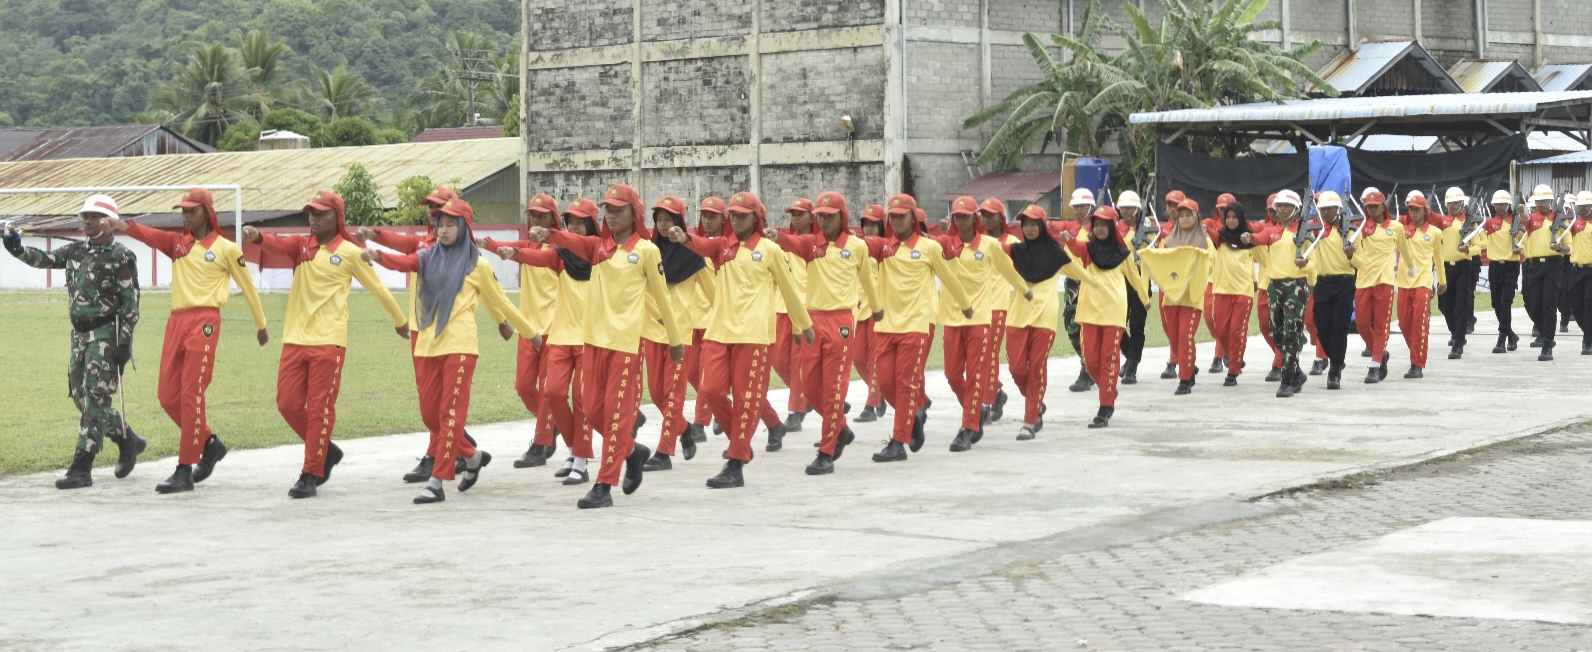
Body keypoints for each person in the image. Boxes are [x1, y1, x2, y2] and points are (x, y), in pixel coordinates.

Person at [366, 199, 538, 504]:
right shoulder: (427, 256)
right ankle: (472, 457)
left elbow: (502, 303)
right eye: (439, 224)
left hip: (460, 347)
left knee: (449, 415)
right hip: (428, 344)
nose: (443, 230)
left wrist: (532, 335)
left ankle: (437, 481)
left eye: (450, 224)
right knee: (431, 416)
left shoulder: (479, 265)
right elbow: (404, 263)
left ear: (464, 227)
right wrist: (379, 255)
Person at [523, 184, 683, 508]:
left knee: (614, 416)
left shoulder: (647, 251)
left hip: (624, 346)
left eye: (618, 209)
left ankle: (604, 484)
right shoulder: (599, 247)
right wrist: (550, 234)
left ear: (634, 214)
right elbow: (573, 240)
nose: (611, 213)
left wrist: (676, 339)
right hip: (592, 340)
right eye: (608, 208)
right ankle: (632, 451)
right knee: (593, 411)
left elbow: (661, 296)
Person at [243, 191, 408, 498]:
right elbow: (276, 243)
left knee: (319, 410)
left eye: (321, 214)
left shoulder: (350, 251)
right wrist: (257, 236)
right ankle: (325, 450)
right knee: (287, 405)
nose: (314, 219)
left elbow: (378, 288)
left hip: (329, 342)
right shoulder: (300, 246)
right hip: (294, 339)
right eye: (311, 214)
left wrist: (400, 320)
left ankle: (310, 473)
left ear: (337, 218)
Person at [109, 187, 268, 493]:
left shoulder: (226, 248)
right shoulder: (177, 244)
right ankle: (209, 443)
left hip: (205, 323)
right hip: (176, 322)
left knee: (191, 394)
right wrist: (120, 225)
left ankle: (184, 470)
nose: (184, 215)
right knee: (168, 396)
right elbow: (148, 234)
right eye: (182, 210)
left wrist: (261, 325)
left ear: (207, 213)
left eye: (190, 210)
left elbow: (247, 286)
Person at [664, 191, 812, 488]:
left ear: (755, 217)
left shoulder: (770, 250)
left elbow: (789, 289)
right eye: (733, 214)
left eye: (742, 214)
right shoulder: (723, 246)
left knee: (747, 400)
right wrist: (684, 238)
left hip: (754, 335)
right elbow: (704, 244)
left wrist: (803, 324)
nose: (735, 219)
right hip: (719, 332)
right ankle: (741, 445)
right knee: (712, 390)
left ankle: (735, 462)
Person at [5, 195, 143, 489]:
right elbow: (43, 259)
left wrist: (124, 342)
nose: (88, 221)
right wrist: (15, 249)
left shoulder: (121, 256)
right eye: (85, 216)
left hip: (105, 336)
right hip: (79, 335)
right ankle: (127, 439)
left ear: (109, 221)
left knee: (95, 398)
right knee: (81, 397)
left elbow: (130, 304)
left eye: (95, 216)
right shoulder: (76, 250)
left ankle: (82, 468)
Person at [357, 186, 489, 482]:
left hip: (454, 336)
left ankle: (435, 460)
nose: (432, 212)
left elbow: (493, 295)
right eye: (431, 208)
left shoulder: (463, 251)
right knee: (429, 403)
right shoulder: (425, 242)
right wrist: (376, 237)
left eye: (438, 206)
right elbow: (402, 244)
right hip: (422, 330)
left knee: (445, 408)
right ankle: (466, 453)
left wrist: (507, 323)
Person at [767, 190, 880, 473]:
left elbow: (867, 280)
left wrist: (877, 310)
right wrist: (776, 236)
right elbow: (792, 241)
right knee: (809, 387)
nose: (825, 222)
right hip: (812, 322)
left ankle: (827, 452)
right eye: (820, 217)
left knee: (832, 390)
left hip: (841, 324)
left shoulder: (856, 247)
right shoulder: (810, 244)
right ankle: (841, 428)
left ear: (842, 218)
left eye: (829, 217)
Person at [496, 199, 599, 484]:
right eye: (571, 223)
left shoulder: (602, 256)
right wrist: (509, 252)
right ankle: (572, 448)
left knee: (581, 401)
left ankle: (580, 461)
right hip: (563, 335)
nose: (575, 228)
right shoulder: (560, 255)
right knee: (552, 394)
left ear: (591, 226)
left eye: (581, 223)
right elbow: (534, 257)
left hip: (590, 338)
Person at [868, 194, 972, 461]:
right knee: (885, 382)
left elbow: (949, 278)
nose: (897, 220)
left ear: (913, 218)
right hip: (886, 325)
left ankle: (897, 442)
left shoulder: (929, 248)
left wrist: (965, 304)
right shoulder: (882, 247)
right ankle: (914, 415)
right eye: (892, 216)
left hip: (917, 324)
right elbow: (858, 245)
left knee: (905, 383)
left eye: (902, 215)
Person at [929, 196, 1029, 450]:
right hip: (951, 319)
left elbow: (1008, 270)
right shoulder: (944, 244)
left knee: (975, 375)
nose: (960, 221)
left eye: (965, 216)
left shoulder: (989, 245)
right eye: (956, 216)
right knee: (952, 375)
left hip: (980, 320)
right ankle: (976, 412)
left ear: (975, 219)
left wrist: (1024, 290)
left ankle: (968, 427)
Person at [478, 195, 561, 468]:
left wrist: (515, 252)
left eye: (541, 216)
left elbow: (537, 256)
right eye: (532, 216)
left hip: (555, 330)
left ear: (553, 219)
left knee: (549, 392)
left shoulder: (560, 248)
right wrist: (485, 244)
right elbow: (506, 246)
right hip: (528, 329)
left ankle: (540, 444)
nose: (535, 221)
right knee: (523, 387)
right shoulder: (525, 244)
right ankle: (552, 423)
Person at [637, 196, 713, 471]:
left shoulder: (695, 256)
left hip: (679, 336)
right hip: (651, 331)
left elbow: (714, 293)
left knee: (673, 397)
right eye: (659, 219)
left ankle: (664, 452)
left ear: (680, 222)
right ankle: (685, 430)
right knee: (657, 394)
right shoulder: (647, 251)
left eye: (669, 219)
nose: (664, 224)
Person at [1057, 207, 1151, 427]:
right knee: (1090, 362)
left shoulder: (1124, 254)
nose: (1099, 229)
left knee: (1109, 361)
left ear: (1111, 227)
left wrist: (1145, 299)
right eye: (1096, 225)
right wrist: (1068, 239)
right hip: (1089, 311)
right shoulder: (1088, 251)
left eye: (1103, 225)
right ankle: (1109, 390)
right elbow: (1076, 247)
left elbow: (1134, 278)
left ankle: (1104, 407)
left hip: (1113, 312)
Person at [1241, 190, 1317, 397]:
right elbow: (1259, 237)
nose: (1281, 209)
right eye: (1279, 206)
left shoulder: (1304, 232)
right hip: (1274, 287)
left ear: (1296, 210)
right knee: (1277, 334)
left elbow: (1314, 264)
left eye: (1286, 206)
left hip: (1297, 285)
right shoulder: (1272, 231)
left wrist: (1306, 267)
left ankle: (1287, 380)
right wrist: (1249, 237)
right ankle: (1296, 371)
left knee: (1291, 332)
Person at [1140, 198, 1212, 395]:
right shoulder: (1169, 241)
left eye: (1189, 215)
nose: (1185, 219)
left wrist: (1193, 266)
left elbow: (1210, 265)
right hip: (1171, 298)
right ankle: (1190, 367)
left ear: (1196, 217)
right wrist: (1147, 261)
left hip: (1191, 298)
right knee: (1174, 338)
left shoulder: (1205, 241)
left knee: (1185, 336)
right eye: (1182, 216)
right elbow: (1163, 264)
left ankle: (1185, 379)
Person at [1005, 205, 1061, 439]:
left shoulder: (1056, 252)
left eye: (1032, 224)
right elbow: (995, 255)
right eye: (1024, 224)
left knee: (1036, 367)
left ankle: (1029, 422)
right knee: (1017, 369)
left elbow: (1079, 266)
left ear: (1042, 226)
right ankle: (1035, 401)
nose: (1028, 228)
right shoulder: (1016, 251)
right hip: (1018, 314)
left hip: (1044, 316)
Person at [770, 198, 814, 432]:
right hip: (781, 307)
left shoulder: (818, 245)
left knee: (799, 362)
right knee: (778, 360)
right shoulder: (781, 244)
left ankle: (795, 412)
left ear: (811, 217)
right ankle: (810, 395)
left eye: (800, 214)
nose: (795, 218)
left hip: (805, 309)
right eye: (792, 214)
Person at [1306, 192, 1356, 389]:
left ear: (1338, 209)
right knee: (1322, 326)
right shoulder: (1314, 231)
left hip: (1344, 283)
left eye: (1329, 208)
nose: (1325, 212)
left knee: (1339, 328)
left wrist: (1351, 255)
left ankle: (1334, 370)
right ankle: (1336, 358)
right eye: (1322, 208)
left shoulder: (1350, 230)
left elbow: (1360, 262)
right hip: (1322, 284)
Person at [1209, 200, 1262, 387]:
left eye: (1234, 217)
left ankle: (1232, 372)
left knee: (1237, 332)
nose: (1231, 221)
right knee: (1222, 331)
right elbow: (1205, 228)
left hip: (1243, 292)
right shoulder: (1220, 238)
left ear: (1241, 218)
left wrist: (1256, 282)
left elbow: (1264, 254)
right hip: (1222, 290)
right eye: (1228, 217)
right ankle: (1234, 357)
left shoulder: (1249, 239)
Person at [1395, 194, 1448, 377]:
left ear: (1425, 211)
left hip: (1423, 283)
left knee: (1419, 324)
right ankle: (1417, 352)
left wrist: (1442, 281)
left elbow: (1439, 258)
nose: (1413, 212)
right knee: (1403, 323)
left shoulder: (1435, 232)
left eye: (1417, 209)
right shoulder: (1401, 230)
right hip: (1403, 282)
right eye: (1410, 209)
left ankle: (1416, 364)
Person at [979, 198, 1020, 420]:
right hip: (976, 308)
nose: (985, 219)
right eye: (982, 215)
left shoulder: (1012, 242)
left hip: (998, 307)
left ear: (1001, 218)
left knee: (990, 356)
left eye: (990, 215)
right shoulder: (977, 240)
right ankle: (996, 394)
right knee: (978, 357)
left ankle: (987, 402)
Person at [1353, 188, 1399, 383]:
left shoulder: (1396, 227)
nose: (1371, 210)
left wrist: (1413, 270)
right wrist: (1350, 254)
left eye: (1375, 206)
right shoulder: (1360, 228)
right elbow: (1354, 259)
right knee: (1361, 324)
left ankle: (1375, 364)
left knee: (1381, 327)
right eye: (1368, 207)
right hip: (1363, 281)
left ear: (1383, 207)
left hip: (1385, 282)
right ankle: (1381, 354)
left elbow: (1406, 251)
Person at [852, 204, 889, 423]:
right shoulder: (858, 248)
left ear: (882, 226)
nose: (868, 227)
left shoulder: (884, 249)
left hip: (878, 310)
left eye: (873, 224)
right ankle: (879, 392)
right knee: (858, 359)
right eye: (865, 223)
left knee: (876, 360)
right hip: (859, 310)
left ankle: (871, 404)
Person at [1520, 184, 1565, 361]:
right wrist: (1522, 210)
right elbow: (1525, 219)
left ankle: (1547, 344)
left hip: (1554, 265)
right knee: (1534, 305)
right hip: (1535, 266)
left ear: (1550, 201)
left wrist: (1560, 247)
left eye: (1543, 200)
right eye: (1537, 201)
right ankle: (1545, 333)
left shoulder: (1560, 219)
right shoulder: (1533, 219)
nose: (1540, 204)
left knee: (1549, 305)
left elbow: (1568, 247)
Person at [1438, 187, 1483, 359]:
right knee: (1444, 304)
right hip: (1445, 268)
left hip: (1464, 266)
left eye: (1455, 203)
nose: (1451, 206)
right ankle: (1456, 331)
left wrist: (1468, 250)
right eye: (1449, 203)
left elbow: (1478, 246)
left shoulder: (1470, 223)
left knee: (1462, 305)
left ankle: (1458, 342)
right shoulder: (1442, 222)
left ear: (1462, 204)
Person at [1113, 191, 1152, 385]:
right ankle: (1130, 355)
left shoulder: (1148, 228)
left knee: (1137, 326)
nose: (1124, 210)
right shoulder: (1115, 228)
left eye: (1128, 207)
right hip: (1119, 283)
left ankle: (1132, 368)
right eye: (1122, 207)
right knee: (1117, 323)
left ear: (1137, 209)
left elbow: (1158, 249)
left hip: (1141, 282)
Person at [1480, 190, 1523, 353]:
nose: (1499, 207)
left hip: (1511, 267)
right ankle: (1511, 334)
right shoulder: (1490, 223)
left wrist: (1521, 248)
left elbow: (1525, 239)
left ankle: (1502, 339)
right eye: (1496, 204)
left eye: (1502, 204)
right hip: (1495, 267)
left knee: (1506, 302)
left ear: (1508, 205)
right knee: (1496, 304)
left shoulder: (1516, 222)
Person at [1062, 189, 1094, 392]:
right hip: (1071, 282)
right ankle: (1088, 363)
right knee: (1071, 325)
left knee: (1089, 326)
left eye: (1083, 206)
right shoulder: (1069, 228)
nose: (1079, 209)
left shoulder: (1097, 229)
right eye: (1076, 206)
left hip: (1090, 281)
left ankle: (1088, 370)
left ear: (1090, 207)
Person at [1558, 191, 1592, 354]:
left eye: (1586, 205)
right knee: (1576, 305)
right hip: (1576, 270)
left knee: (1589, 303)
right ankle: (1588, 332)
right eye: (1580, 206)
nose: (1583, 208)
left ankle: (1588, 340)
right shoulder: (1573, 224)